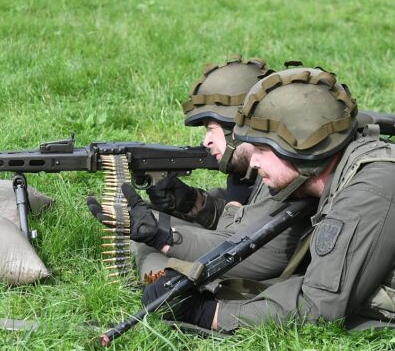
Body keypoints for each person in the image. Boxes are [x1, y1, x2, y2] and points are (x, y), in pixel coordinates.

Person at [143, 66, 395, 331]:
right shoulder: (341, 172)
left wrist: (209, 314)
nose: (252, 159)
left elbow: (319, 308)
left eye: (262, 149)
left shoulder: (369, 191)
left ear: (303, 151)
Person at [88, 56, 312, 283]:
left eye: (211, 128)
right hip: (244, 254)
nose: (206, 141)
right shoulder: (252, 168)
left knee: (158, 265)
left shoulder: (282, 174)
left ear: (238, 127)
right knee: (137, 218)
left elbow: (241, 248)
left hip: (254, 275)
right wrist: (193, 203)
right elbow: (241, 220)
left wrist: (163, 236)